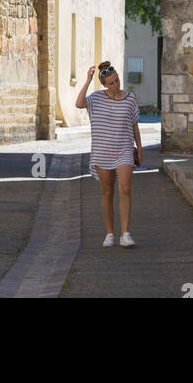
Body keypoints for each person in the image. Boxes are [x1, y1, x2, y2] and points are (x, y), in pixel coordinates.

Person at [76, 59, 142, 247]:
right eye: (111, 83)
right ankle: (110, 233)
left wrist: (140, 149)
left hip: (124, 150)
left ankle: (126, 233)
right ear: (104, 84)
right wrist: (88, 81)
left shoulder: (130, 98)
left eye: (117, 80)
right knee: (107, 192)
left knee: (125, 189)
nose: (115, 85)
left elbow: (135, 125)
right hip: (102, 152)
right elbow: (79, 103)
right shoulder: (95, 98)